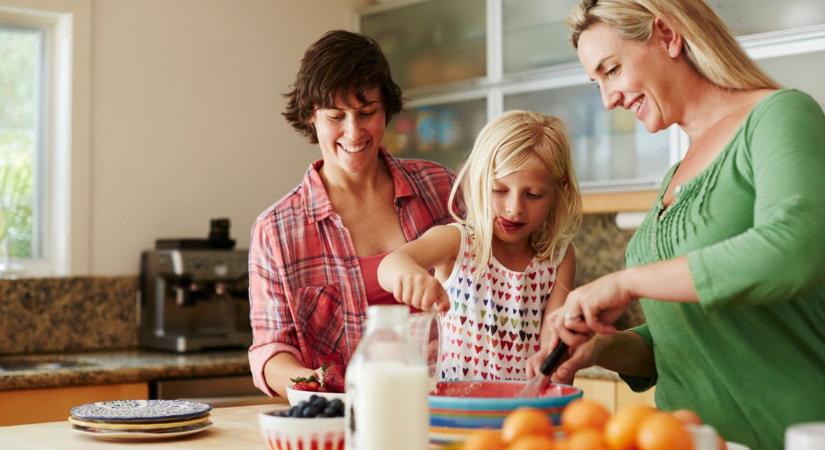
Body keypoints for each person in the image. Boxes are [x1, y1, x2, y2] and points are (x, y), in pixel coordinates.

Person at [542, 1, 825, 449]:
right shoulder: (673, 178)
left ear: (668, 36)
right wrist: (600, 349)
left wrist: (628, 282)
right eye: (595, 82)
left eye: (611, 70)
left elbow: (793, 250)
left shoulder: (780, 116)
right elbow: (679, 336)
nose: (608, 98)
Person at [248, 30, 455, 397]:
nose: (353, 131)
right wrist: (317, 385)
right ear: (311, 116)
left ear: (385, 110)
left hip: (444, 407)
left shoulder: (440, 189)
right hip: (343, 416)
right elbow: (270, 351)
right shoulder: (276, 231)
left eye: (366, 113)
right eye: (335, 116)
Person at [378, 110, 582, 381]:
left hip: (522, 415)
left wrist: (560, 358)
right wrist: (411, 277)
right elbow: (391, 264)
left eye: (533, 195)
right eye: (499, 190)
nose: (514, 209)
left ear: (559, 191)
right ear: (477, 181)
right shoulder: (458, 242)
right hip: (458, 412)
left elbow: (552, 346)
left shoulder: (558, 257)